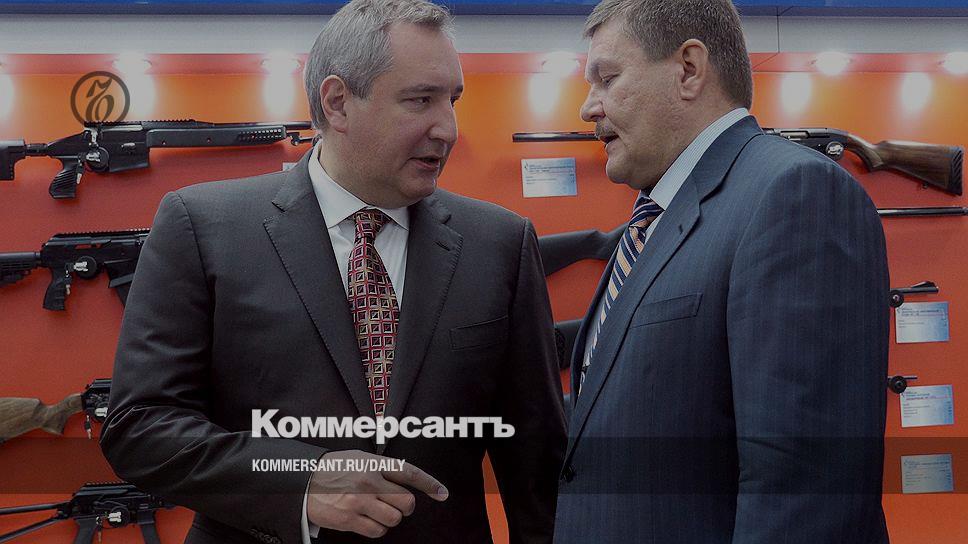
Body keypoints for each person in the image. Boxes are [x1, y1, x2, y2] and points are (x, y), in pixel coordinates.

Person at [99, 1, 566, 543]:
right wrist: (298, 480)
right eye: (421, 100)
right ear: (338, 102)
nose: (448, 128)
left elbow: (536, 458)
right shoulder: (202, 227)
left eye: (452, 100)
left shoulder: (500, 243)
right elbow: (141, 427)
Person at [554, 1, 890, 542]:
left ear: (689, 69)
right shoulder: (660, 218)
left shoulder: (795, 194)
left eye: (608, 78)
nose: (587, 107)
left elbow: (805, 490)